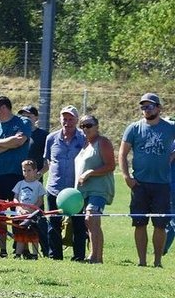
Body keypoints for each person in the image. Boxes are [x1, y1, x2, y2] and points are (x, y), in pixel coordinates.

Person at [119, 92, 175, 267]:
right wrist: (127, 177)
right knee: (139, 223)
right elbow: (122, 153)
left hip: (162, 184)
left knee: (160, 225)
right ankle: (142, 261)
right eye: (143, 107)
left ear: (158, 108)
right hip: (140, 184)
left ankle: (157, 261)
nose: (145, 109)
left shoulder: (170, 127)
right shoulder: (134, 128)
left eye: (149, 106)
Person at [0, 95, 32, 257]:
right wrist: (7, 145)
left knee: (18, 213)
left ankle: (21, 250)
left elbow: (20, 142)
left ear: (3, 108)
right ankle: (2, 249)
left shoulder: (22, 122)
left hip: (15, 175)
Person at [43, 105, 86, 260]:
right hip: (54, 188)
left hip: (75, 191)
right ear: (60, 119)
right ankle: (55, 255)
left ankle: (79, 256)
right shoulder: (51, 138)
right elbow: (48, 161)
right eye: (64, 119)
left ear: (76, 120)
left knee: (78, 224)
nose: (67, 122)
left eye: (71, 119)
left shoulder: (83, 138)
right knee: (53, 223)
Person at [75, 116, 115, 264]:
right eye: (82, 126)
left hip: (99, 189)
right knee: (90, 222)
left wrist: (89, 173)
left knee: (91, 218)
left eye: (89, 125)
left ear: (97, 126)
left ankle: (94, 256)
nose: (85, 128)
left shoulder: (102, 142)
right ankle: (97, 257)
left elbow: (111, 165)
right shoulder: (85, 145)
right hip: (84, 191)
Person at [10, 159, 47, 259]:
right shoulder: (20, 184)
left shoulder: (38, 185)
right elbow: (15, 198)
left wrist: (32, 210)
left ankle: (35, 254)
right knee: (20, 235)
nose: (26, 173)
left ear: (35, 171)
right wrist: (19, 208)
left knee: (34, 235)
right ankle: (18, 254)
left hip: (32, 215)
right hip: (20, 214)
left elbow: (40, 201)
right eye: (24, 170)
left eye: (29, 170)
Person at [19, 104, 49, 175]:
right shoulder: (16, 134)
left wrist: (39, 174)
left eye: (28, 117)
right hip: (17, 176)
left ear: (36, 118)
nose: (25, 119)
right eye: (23, 117)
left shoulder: (44, 135)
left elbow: (49, 160)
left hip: (35, 178)